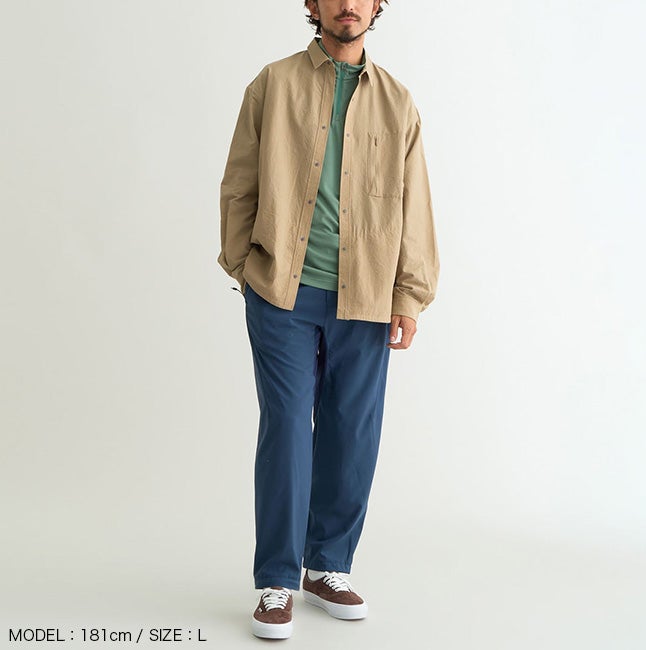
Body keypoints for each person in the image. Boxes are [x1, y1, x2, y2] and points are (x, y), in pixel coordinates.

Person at [217, 0, 440, 640]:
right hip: (282, 294)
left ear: (376, 6)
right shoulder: (273, 83)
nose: (348, 5)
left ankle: (328, 567)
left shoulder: (398, 102)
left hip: (366, 295)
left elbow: (416, 204)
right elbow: (240, 181)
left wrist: (409, 295)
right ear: (312, 5)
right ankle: (277, 579)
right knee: (287, 430)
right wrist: (244, 266)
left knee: (352, 433)